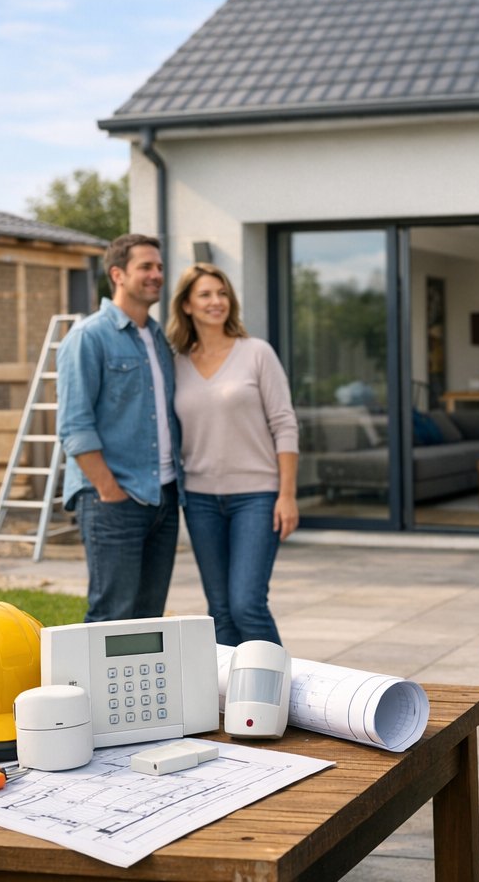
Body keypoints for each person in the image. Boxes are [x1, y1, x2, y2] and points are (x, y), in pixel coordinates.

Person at [168, 262, 299, 647]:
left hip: (257, 497)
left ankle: (279, 696)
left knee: (247, 604)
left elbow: (285, 424)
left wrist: (287, 495)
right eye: (205, 294)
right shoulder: (175, 363)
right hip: (200, 500)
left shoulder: (256, 352)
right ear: (187, 305)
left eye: (222, 293)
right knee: (220, 609)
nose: (216, 301)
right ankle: (229, 701)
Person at [58, 234, 183, 622]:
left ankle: (140, 687)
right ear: (117, 274)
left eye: (159, 267)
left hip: (162, 497)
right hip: (114, 500)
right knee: (112, 616)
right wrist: (109, 491)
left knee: (148, 619)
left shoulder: (160, 339)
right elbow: (74, 426)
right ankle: (97, 688)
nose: (156, 275)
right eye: (146, 267)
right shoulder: (88, 336)